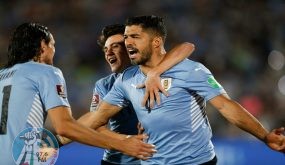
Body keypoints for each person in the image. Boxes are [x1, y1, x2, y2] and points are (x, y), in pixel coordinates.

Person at [87, 15, 285, 165]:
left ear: (156, 41)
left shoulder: (191, 70)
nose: (128, 42)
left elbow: (227, 107)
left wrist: (265, 136)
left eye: (135, 37)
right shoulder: (126, 80)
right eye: (127, 37)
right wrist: (60, 137)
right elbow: (95, 119)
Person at [0, 22, 157, 165]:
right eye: (53, 45)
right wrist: (122, 144)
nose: (54, 51)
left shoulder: (2, 75)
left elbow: (94, 117)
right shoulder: (46, 72)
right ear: (43, 46)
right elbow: (66, 126)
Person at [58, 24, 195, 164]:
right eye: (106, 49)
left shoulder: (154, 73)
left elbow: (187, 46)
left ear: (130, 48)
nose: (108, 53)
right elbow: (97, 125)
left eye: (115, 46)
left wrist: (156, 72)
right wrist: (126, 141)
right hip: (117, 160)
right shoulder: (104, 85)